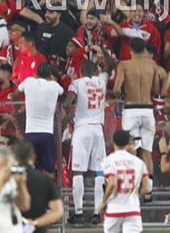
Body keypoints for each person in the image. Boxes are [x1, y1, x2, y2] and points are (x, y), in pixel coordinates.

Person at [113, 37, 165, 200]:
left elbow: (115, 89)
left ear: (130, 50)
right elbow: (156, 89)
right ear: (144, 50)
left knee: (131, 151)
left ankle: (134, 188)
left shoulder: (125, 65)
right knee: (147, 152)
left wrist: (123, 92)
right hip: (148, 110)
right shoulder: (152, 66)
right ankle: (148, 191)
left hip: (131, 109)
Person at [66, 58, 108, 224]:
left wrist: (70, 107)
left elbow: (68, 100)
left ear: (81, 71)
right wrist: (102, 53)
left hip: (82, 129)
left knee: (78, 172)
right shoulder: (102, 81)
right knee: (99, 172)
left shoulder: (77, 83)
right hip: (98, 129)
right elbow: (110, 65)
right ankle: (97, 213)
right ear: (95, 71)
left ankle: (78, 212)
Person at [99, 130, 150, 232]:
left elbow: (112, 183)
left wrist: (104, 201)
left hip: (114, 209)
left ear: (113, 142)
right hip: (133, 209)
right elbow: (147, 188)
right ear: (128, 143)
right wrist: (135, 194)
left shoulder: (109, 160)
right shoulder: (139, 162)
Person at [17, 62, 64, 173]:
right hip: (47, 133)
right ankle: (48, 189)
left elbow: (17, 91)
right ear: (50, 75)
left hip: (30, 133)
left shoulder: (29, 81)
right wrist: (52, 80)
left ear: (36, 72)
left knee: (28, 168)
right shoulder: (54, 86)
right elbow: (62, 93)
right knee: (49, 170)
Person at [14, 140, 64, 233]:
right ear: (33, 158)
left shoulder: (3, 178)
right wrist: (35, 223)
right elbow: (57, 211)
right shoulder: (44, 179)